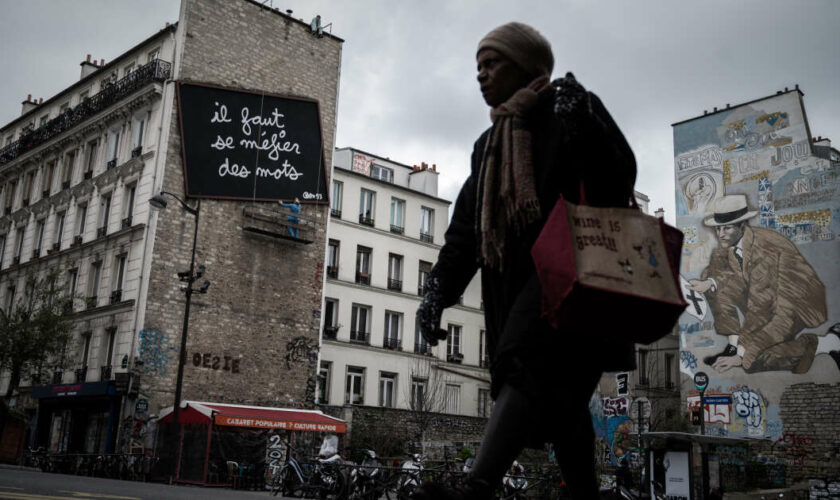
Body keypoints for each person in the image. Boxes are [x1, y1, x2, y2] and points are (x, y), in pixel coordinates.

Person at [413, 22, 637, 500]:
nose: (481, 75)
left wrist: (587, 126)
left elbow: (619, 178)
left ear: (526, 66)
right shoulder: (489, 144)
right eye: (478, 66)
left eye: (492, 63)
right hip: (515, 291)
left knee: (523, 363)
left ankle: (477, 487)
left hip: (576, 283)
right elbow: (467, 233)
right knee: (563, 409)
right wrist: (436, 294)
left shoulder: (571, 107)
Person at [687, 194, 839, 373]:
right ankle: (733, 345)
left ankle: (828, 343)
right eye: (718, 229)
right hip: (766, 298)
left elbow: (761, 308)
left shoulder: (764, 250)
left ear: (741, 225)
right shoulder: (734, 246)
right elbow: (728, 277)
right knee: (711, 275)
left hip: (797, 304)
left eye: (726, 228)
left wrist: (743, 354)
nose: (720, 234)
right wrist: (709, 283)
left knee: (752, 361)